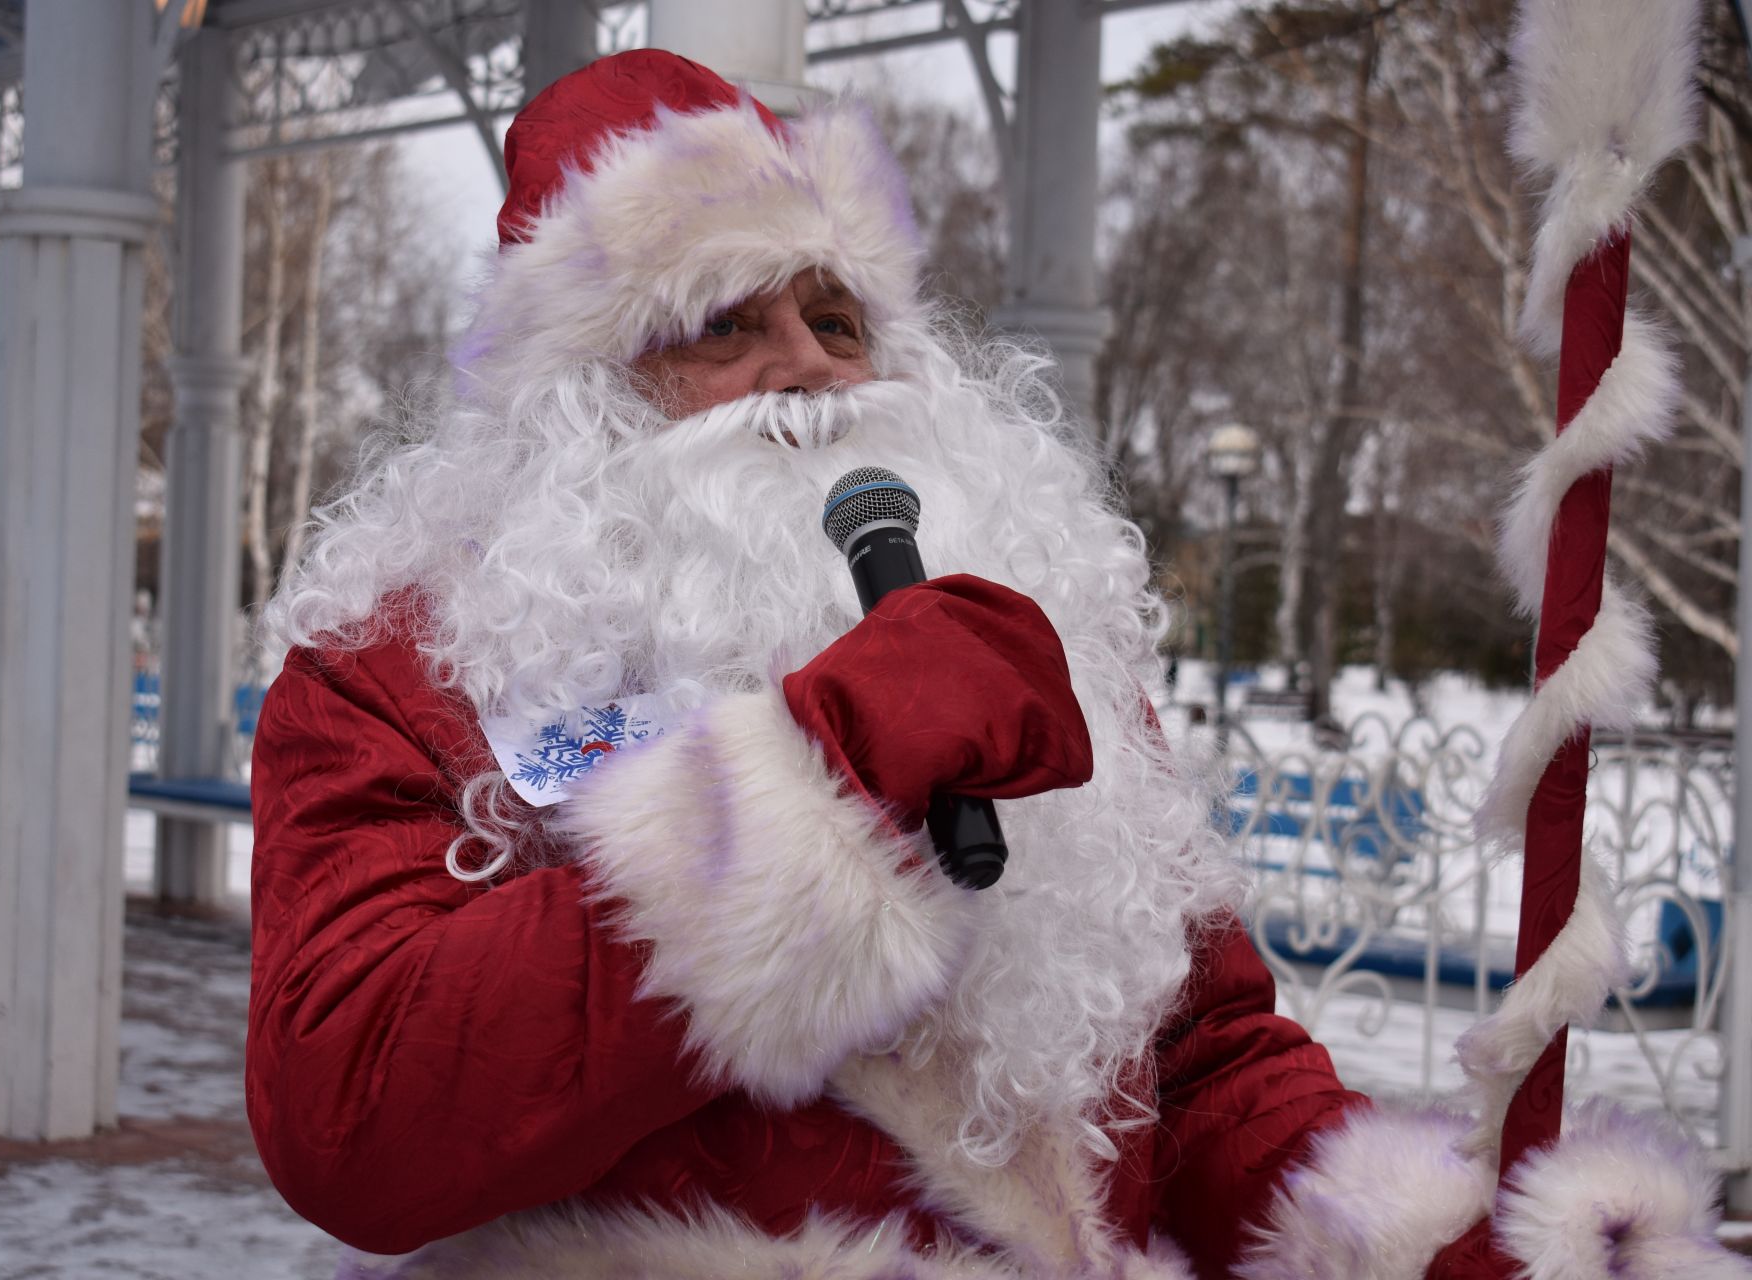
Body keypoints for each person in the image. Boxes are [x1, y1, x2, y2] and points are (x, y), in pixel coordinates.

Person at [245, 49, 1743, 1280]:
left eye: (836, 316)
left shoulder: (1036, 650)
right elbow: (352, 1115)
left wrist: (1423, 1237)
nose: (810, 367)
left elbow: (1203, 1064)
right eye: (721, 323)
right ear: (575, 402)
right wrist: (818, 782)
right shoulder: (403, 674)